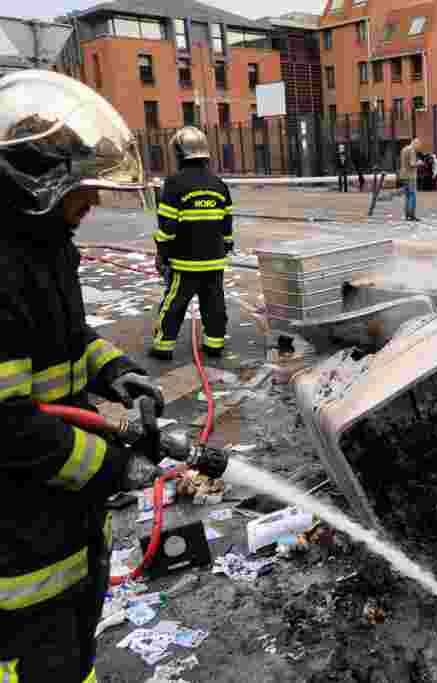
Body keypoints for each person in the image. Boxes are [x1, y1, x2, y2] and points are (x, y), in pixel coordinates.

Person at [0, 70, 165, 682]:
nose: (92, 203)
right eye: (83, 188)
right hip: (15, 536)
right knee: (36, 660)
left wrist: (117, 372)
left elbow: (66, 340)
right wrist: (115, 467)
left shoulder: (44, 246)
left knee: (72, 650)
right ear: (37, 180)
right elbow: (7, 427)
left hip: (55, 507)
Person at [151, 127, 233, 361]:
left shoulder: (174, 184)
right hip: (214, 261)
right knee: (214, 304)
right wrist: (224, 247)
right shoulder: (219, 185)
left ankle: (163, 347)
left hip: (185, 262)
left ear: (178, 154)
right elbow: (227, 225)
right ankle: (214, 344)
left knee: (174, 304)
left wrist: (162, 256)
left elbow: (167, 228)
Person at [398, 138, 423, 221]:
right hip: (410, 176)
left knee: (407, 196)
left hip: (403, 175)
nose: (418, 148)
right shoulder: (412, 150)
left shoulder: (404, 149)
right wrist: (419, 163)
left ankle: (407, 215)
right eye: (418, 145)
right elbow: (412, 164)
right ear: (415, 143)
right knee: (412, 195)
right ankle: (412, 215)